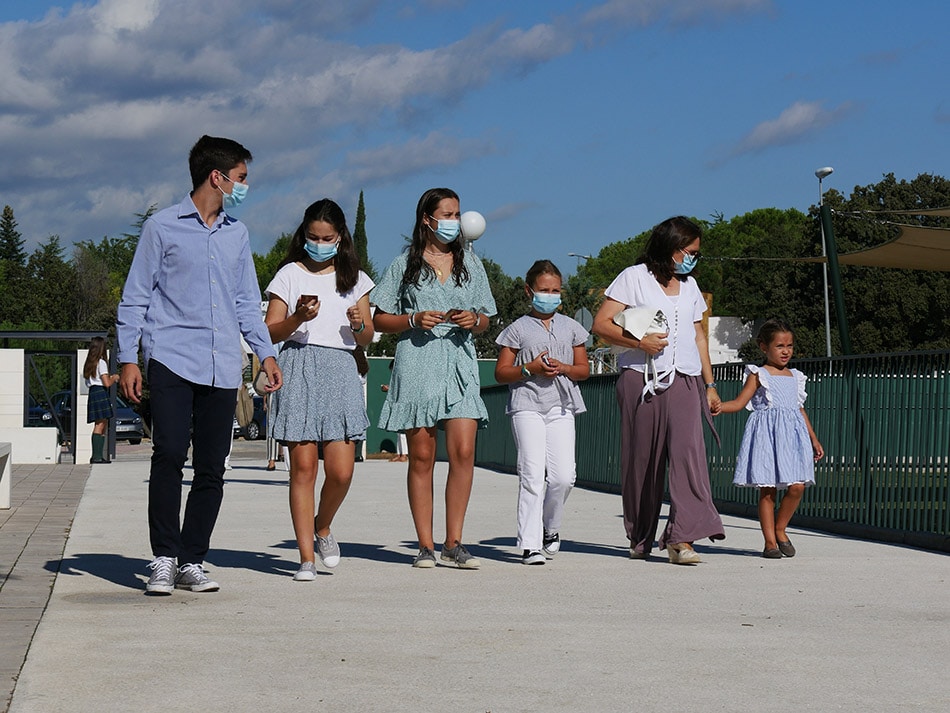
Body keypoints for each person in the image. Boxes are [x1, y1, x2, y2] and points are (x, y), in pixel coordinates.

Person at [117, 135, 282, 595]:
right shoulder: (162, 227)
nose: (245, 186)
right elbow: (135, 299)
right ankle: (164, 558)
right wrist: (128, 358)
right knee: (169, 453)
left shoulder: (237, 233)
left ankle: (193, 559)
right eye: (242, 177)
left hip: (222, 362)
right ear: (218, 176)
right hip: (170, 356)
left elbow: (248, 301)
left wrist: (265, 353)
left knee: (212, 467)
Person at [372, 187, 497, 569]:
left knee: (463, 452)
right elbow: (379, 318)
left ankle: (454, 542)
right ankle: (425, 546)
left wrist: (473, 320)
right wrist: (412, 319)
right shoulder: (402, 265)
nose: (453, 222)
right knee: (422, 456)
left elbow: (487, 317)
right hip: (417, 361)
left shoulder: (470, 263)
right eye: (446, 214)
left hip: (458, 361)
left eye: (456, 214)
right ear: (427, 218)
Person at [591, 216, 724, 565]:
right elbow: (600, 324)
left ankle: (682, 538)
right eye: (690, 251)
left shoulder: (691, 286)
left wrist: (709, 385)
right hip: (641, 378)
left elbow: (698, 336)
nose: (695, 257)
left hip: (685, 380)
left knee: (689, 457)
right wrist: (639, 341)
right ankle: (640, 535)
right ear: (671, 248)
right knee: (642, 462)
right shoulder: (633, 278)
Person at [264, 198, 374, 582]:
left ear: (340, 237)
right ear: (304, 235)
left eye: (327, 238)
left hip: (341, 369)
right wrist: (297, 316)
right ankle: (305, 558)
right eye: (313, 237)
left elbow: (369, 337)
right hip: (299, 365)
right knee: (304, 468)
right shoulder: (288, 274)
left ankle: (322, 526)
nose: (320, 243)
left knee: (342, 472)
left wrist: (360, 323)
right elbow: (269, 331)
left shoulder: (355, 278)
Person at [494, 260, 589, 565]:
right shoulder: (516, 329)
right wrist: (529, 368)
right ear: (529, 290)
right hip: (526, 404)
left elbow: (583, 370)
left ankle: (551, 527)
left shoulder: (572, 327)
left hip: (562, 404)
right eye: (544, 290)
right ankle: (529, 544)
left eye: (555, 290)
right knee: (532, 474)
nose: (550, 295)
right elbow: (501, 373)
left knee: (564, 477)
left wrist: (564, 368)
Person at [716, 319, 824, 558]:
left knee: (797, 486)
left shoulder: (796, 376)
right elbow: (739, 402)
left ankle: (780, 528)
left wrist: (813, 438)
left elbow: (799, 409)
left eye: (790, 345)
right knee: (768, 490)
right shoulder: (759, 374)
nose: (786, 351)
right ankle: (769, 542)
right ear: (764, 347)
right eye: (780, 346)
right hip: (767, 436)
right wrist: (719, 407)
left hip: (794, 438)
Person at [83, 336, 117, 464]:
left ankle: (98, 455)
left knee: (101, 423)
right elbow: (107, 383)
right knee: (100, 424)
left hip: (93, 392)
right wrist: (114, 377)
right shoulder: (101, 362)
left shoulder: (90, 363)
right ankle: (96, 456)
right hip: (100, 392)